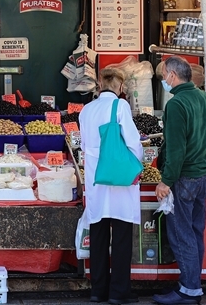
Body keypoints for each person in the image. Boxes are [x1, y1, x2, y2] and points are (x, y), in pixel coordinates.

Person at [153, 57, 206, 305]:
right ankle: (192, 284)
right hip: (202, 178)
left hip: (183, 179)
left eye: (163, 75)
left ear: (172, 76)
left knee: (182, 234)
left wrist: (165, 181)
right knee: (194, 233)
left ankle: (189, 290)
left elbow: (175, 150)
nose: (163, 80)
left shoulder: (176, 104)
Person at [80, 67, 143, 305]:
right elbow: (134, 143)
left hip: (96, 178)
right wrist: (137, 166)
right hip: (119, 178)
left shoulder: (86, 110)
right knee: (121, 235)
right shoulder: (121, 107)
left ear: (100, 85)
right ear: (119, 86)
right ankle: (119, 291)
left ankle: (98, 290)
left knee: (98, 232)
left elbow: (85, 144)